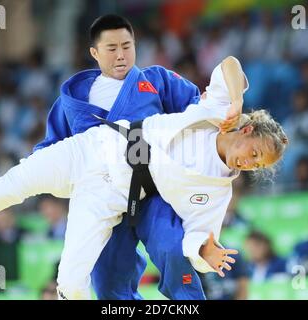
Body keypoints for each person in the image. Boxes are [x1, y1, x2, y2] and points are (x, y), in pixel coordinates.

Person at [0, 58, 288, 299]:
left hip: (112, 193)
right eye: (254, 153)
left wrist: (203, 250)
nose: (249, 164)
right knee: (4, 189)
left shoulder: (217, 192)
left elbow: (196, 235)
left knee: (69, 282)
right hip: (94, 147)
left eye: (257, 166)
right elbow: (230, 65)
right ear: (248, 129)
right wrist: (237, 100)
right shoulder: (217, 111)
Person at [33, 14, 225, 300]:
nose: (121, 55)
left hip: (155, 191)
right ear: (94, 53)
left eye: (127, 46)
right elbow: (50, 152)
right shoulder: (73, 101)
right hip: (102, 202)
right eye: (112, 49)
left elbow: (199, 112)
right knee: (109, 284)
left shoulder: (156, 80)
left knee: (173, 249)